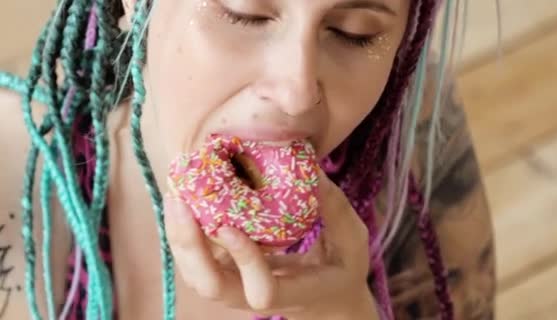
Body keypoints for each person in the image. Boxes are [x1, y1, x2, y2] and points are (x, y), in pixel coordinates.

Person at [0, 0, 496, 319]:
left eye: (353, 32)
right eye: (245, 13)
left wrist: (344, 310)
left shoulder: (408, 148)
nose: (297, 91)